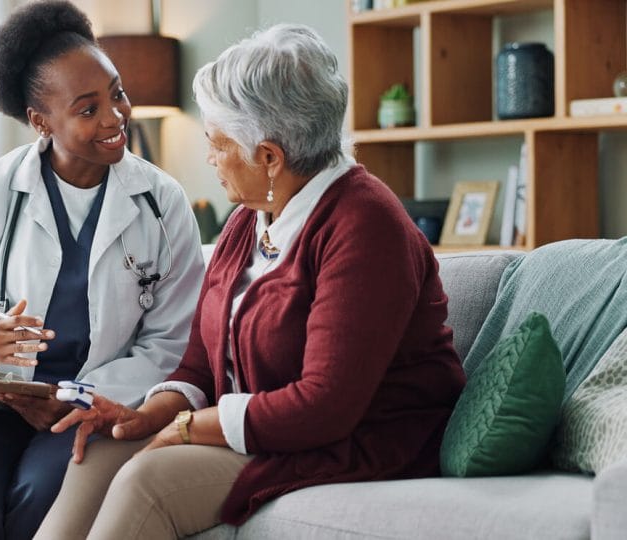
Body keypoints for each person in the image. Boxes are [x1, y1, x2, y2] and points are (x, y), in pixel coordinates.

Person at [36, 23, 467, 539]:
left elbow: (323, 407)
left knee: (148, 478)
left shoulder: (365, 225)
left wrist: (188, 428)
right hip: (258, 432)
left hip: (355, 440)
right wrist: (145, 417)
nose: (211, 161)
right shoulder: (249, 218)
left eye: (217, 145)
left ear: (268, 156)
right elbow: (199, 364)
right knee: (96, 458)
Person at [0, 2, 206, 539]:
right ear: (40, 121)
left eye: (117, 94)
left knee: (44, 492)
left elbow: (170, 344)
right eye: (87, 109)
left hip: (91, 405)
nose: (114, 118)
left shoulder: (161, 201)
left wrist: (75, 396)